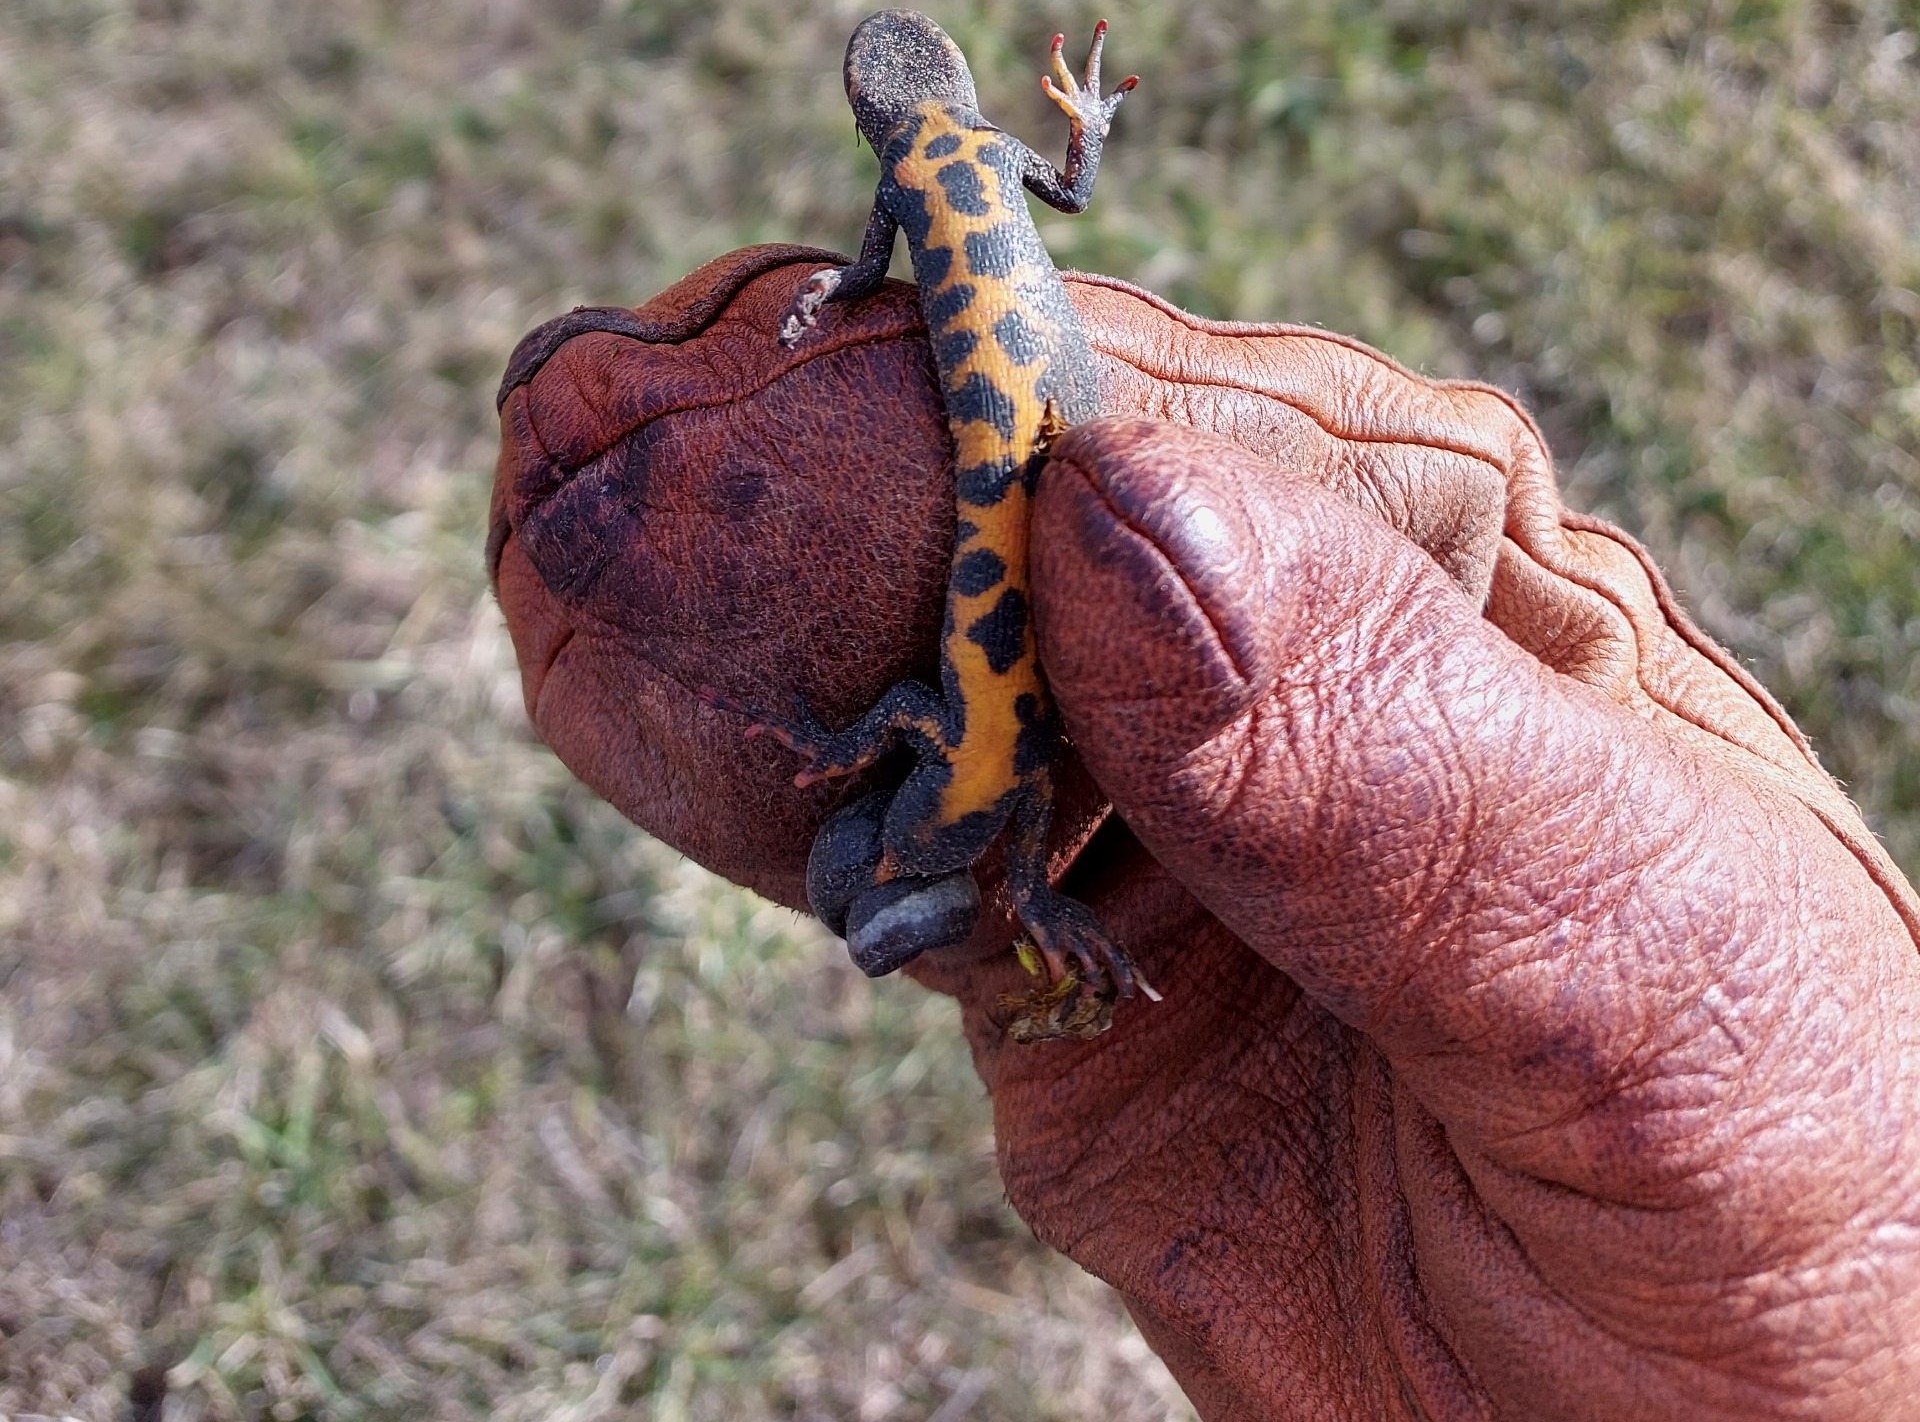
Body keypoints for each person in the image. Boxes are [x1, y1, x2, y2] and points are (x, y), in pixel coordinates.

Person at [491, 249, 1920, 1419]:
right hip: (1023, 739)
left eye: (872, 899)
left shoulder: (957, 822)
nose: (880, 907)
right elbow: (936, 744)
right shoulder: (968, 826)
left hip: (1017, 737)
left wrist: (877, 772)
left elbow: (934, 740)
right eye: (880, 897)